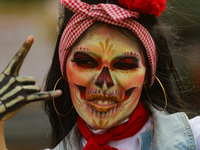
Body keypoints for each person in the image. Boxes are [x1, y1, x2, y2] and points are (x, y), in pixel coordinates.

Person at [0, 0, 200, 150]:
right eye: (86, 62)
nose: (104, 81)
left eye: (124, 64)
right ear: (64, 72)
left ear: (148, 76)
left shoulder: (194, 137)